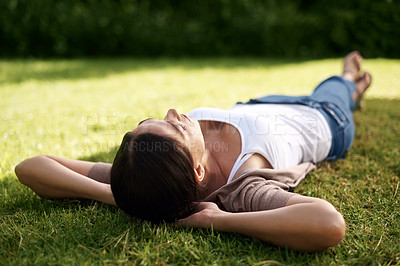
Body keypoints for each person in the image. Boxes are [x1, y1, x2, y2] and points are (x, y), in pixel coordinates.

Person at [15, 52, 371, 252]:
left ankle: (347, 83)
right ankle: (350, 81)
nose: (173, 113)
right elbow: (328, 224)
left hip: (257, 106)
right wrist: (216, 220)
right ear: (198, 172)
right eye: (174, 129)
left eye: (151, 121)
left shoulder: (147, 174)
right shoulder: (243, 189)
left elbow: (30, 167)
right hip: (325, 119)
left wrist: (119, 197)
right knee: (336, 89)